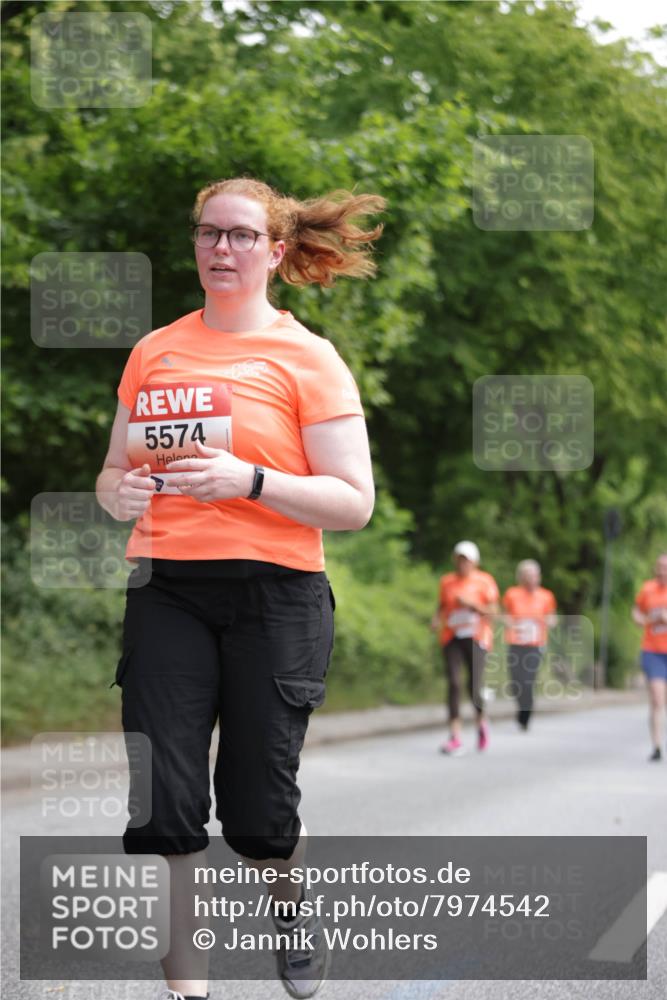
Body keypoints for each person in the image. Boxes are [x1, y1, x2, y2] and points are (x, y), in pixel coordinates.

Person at [95, 177, 382, 1000]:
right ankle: (188, 989)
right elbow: (115, 473)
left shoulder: (307, 357)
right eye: (208, 234)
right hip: (168, 589)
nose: (221, 249)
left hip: (276, 596)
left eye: (241, 237)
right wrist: (117, 493)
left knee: (256, 807)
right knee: (167, 799)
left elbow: (353, 503)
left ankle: (288, 901)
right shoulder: (155, 350)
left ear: (276, 251)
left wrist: (249, 480)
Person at [431, 541, 499, 755]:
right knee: (453, 682)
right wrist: (435, 619)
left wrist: (472, 605)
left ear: (475, 562)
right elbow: (442, 605)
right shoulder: (447, 582)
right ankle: (455, 736)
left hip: (477, 636)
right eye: (459, 559)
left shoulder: (484, 581)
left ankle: (481, 723)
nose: (462, 564)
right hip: (452, 636)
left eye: (466, 560)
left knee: (474, 685)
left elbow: (494, 612)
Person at [502, 560, 557, 730]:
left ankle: (525, 714)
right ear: (521, 577)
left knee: (527, 680)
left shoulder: (546, 596)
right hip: (516, 641)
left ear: (538, 577)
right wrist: (512, 623)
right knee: (515, 681)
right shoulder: (512, 594)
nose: (531, 579)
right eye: (527, 576)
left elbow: (553, 618)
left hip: (535, 643)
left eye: (533, 576)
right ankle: (521, 707)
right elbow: (504, 615)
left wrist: (546, 621)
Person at [632, 553, 667, 762]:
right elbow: (637, 611)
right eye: (660, 567)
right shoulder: (647, 589)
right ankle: (656, 745)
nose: (663, 570)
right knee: (656, 698)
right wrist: (640, 619)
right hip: (652, 650)